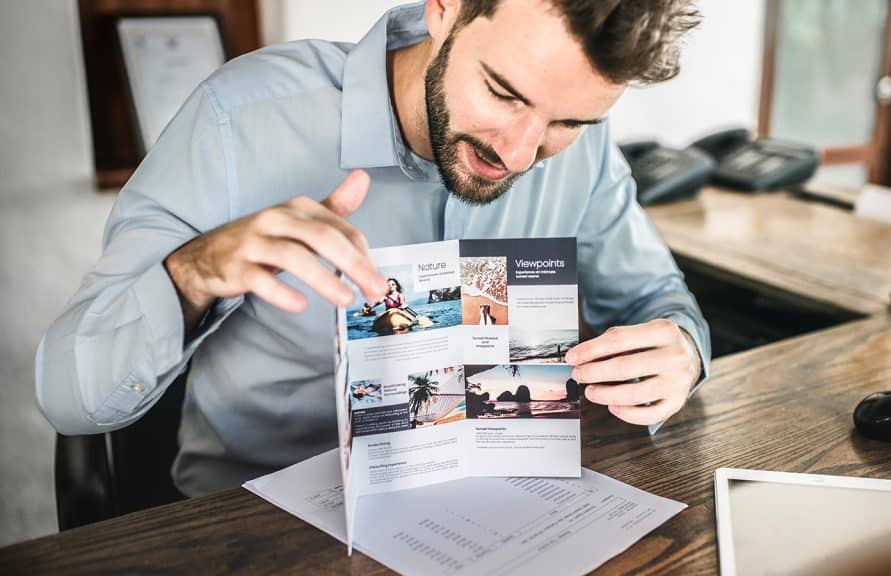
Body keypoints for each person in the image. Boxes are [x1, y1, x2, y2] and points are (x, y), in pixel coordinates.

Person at [35, 0, 711, 496]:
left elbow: (658, 299)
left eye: (568, 121)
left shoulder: (585, 154)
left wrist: (680, 350)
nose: (519, 151)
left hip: (498, 504)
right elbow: (69, 396)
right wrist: (195, 272)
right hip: (264, 525)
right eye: (503, 92)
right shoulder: (237, 120)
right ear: (444, 9)